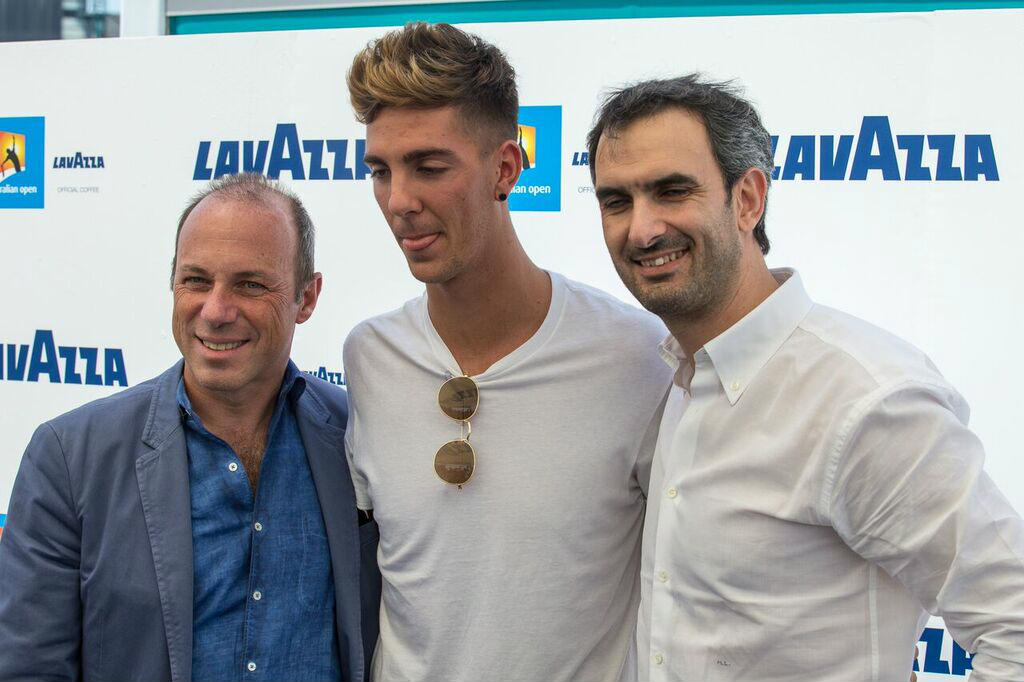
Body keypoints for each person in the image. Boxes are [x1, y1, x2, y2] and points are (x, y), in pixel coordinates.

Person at [588, 74, 1024, 682]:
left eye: (672, 191)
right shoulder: (670, 377)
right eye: (616, 201)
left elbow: (1015, 625)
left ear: (747, 199)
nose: (641, 229)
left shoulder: (864, 398)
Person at [343, 23, 672, 681]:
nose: (400, 202)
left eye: (429, 167)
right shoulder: (368, 356)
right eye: (381, 170)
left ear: (505, 168)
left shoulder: (639, 358)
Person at [0, 173, 380, 682]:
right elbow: (30, 666)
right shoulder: (69, 458)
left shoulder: (361, 434)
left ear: (306, 298)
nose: (216, 311)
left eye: (250, 284)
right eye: (196, 280)